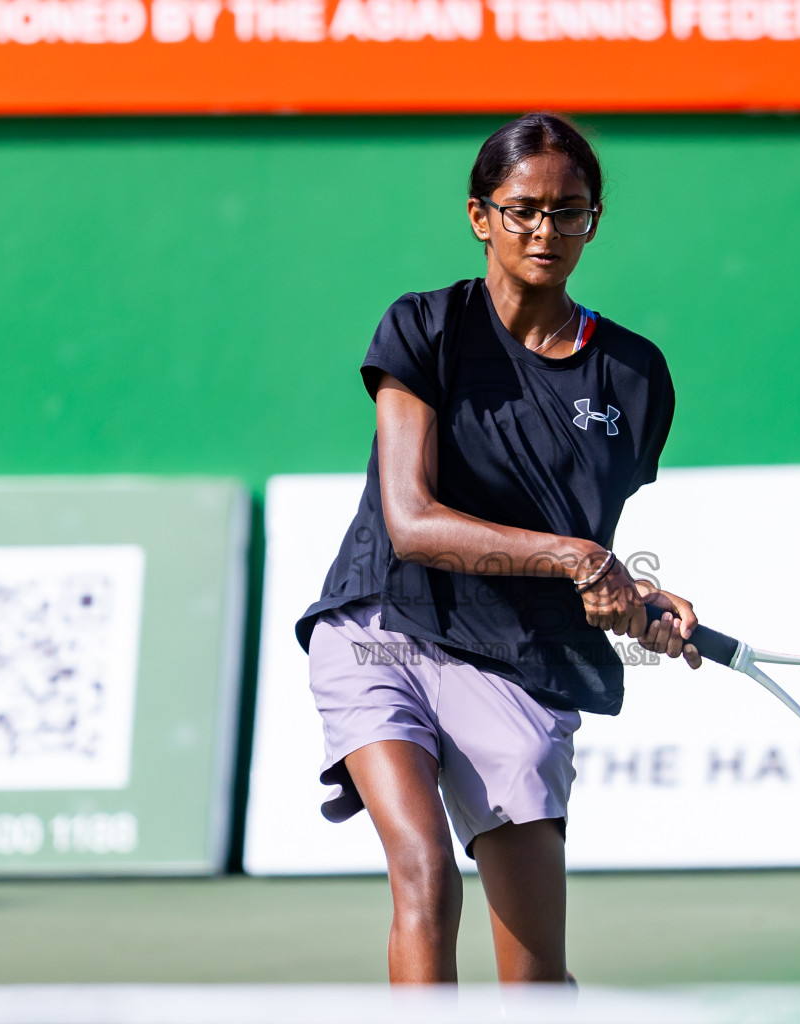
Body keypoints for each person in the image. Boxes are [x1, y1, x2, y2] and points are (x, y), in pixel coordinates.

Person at [294, 112, 700, 985]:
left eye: (569, 211)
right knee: (425, 875)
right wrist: (577, 559)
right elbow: (412, 518)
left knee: (536, 972)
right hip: (380, 628)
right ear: (480, 215)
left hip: (515, 659)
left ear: (594, 220)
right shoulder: (426, 328)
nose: (545, 231)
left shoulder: (634, 374)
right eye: (522, 210)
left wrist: (633, 602)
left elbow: (584, 531)